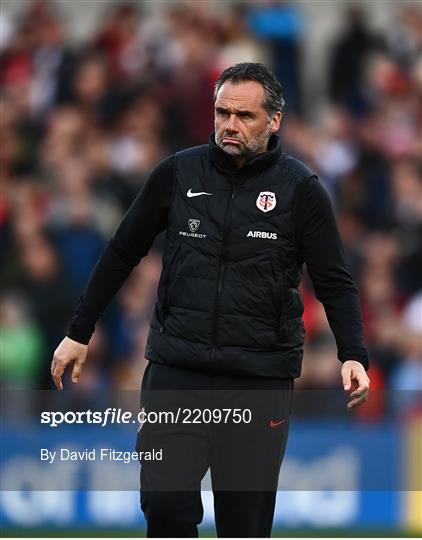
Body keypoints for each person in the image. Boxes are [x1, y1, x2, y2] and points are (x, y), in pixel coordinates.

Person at [51, 62, 370, 537]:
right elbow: (121, 251)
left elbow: (335, 282)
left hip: (258, 380)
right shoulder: (178, 173)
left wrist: (352, 353)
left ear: (275, 121)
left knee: (244, 527)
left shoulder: (301, 191)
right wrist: (80, 330)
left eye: (244, 116)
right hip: (178, 371)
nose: (229, 125)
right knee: (164, 506)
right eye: (222, 113)